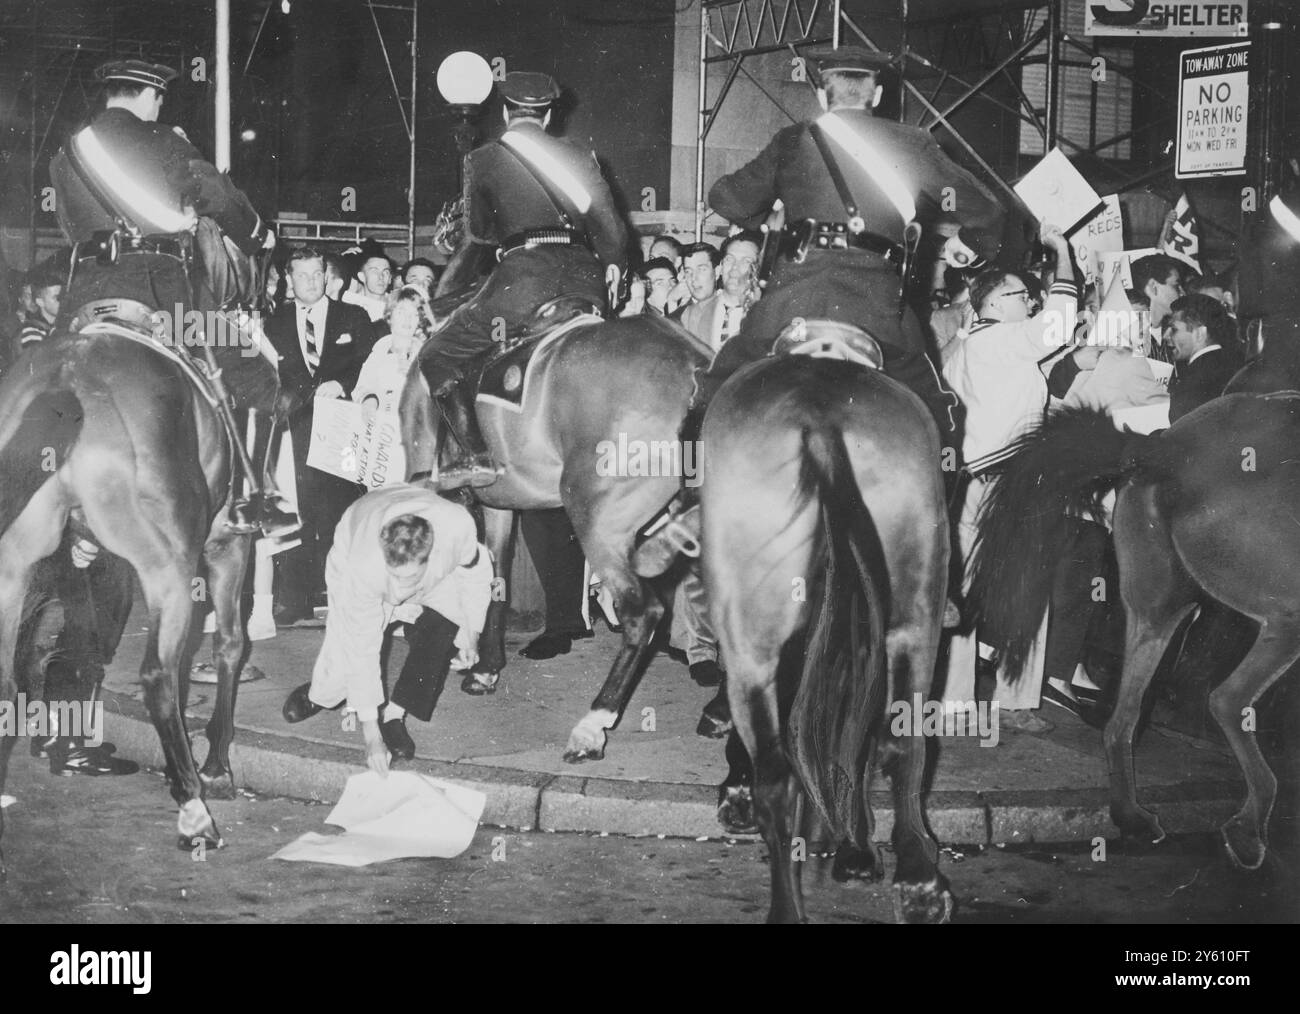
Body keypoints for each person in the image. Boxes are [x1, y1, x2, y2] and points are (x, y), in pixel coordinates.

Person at [635, 46, 1004, 574]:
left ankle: (691, 512)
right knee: (943, 413)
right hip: (881, 312)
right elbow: (988, 211)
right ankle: (931, 556)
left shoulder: (793, 141)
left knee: (709, 395)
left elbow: (727, 198)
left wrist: (775, 214)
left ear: (819, 93)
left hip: (791, 305)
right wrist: (972, 246)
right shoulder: (913, 143)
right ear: (877, 94)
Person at [47, 58, 293, 538]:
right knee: (257, 371)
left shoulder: (66, 153)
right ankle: (251, 497)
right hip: (162, 292)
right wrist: (259, 236)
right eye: (159, 98)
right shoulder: (165, 140)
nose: (159, 106)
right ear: (149, 95)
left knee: (42, 366)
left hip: (83, 295)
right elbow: (216, 196)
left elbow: (69, 228)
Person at [413, 70, 630, 491]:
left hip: (523, 285)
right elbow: (613, 232)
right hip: (586, 283)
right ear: (548, 117)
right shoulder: (582, 156)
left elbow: (479, 233)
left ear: (508, 111)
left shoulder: (483, 158)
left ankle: (475, 457)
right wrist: (612, 268)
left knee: (437, 353)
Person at [940, 225, 1082, 730]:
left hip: (970, 482)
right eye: (1020, 295)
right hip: (1012, 483)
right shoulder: (1005, 339)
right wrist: (1061, 251)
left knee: (961, 590)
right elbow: (1061, 320)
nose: (1029, 301)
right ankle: (1015, 699)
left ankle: (954, 702)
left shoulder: (964, 349)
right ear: (993, 304)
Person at [281, 485, 494, 770]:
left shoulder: (457, 528)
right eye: (395, 577)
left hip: (430, 573)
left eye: (408, 579)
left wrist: (471, 634)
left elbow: (476, 578)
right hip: (357, 541)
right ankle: (321, 693)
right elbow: (363, 647)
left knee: (451, 621)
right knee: (346, 646)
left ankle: (394, 714)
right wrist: (371, 738)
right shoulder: (363, 566)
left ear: (430, 554)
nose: (398, 591)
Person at [264, 246, 375, 624]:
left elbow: (369, 362)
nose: (311, 282)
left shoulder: (354, 316)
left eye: (317, 274)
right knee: (295, 512)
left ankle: (335, 592)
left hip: (340, 430)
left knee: (335, 512)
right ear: (290, 280)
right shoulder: (272, 322)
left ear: (326, 276)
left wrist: (342, 383)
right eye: (302, 275)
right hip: (291, 430)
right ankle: (294, 598)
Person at [1166, 292, 1244, 424]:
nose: (1166, 336)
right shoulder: (1238, 364)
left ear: (1200, 334)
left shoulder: (1191, 383)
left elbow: (1179, 435)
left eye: (1174, 329)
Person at [679, 231, 760, 351]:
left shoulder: (765, 315)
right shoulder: (692, 314)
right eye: (729, 259)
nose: (734, 268)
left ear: (758, 269)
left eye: (746, 261)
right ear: (721, 266)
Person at [1130, 253, 1185, 364]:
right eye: (1175, 286)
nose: (1183, 293)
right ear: (1153, 287)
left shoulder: (1175, 332)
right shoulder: (1127, 337)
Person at [668, 241, 719, 318]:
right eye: (688, 271)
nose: (694, 278)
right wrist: (671, 302)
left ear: (717, 272)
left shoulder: (729, 309)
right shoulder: (681, 313)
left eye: (701, 269)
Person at [343, 246, 393, 323]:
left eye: (385, 272)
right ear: (362, 276)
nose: (381, 277)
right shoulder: (349, 301)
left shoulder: (397, 304)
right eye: (374, 271)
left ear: (390, 278)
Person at [18, 268, 61, 348]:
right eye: (56, 297)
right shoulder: (32, 331)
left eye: (62, 296)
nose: (61, 300)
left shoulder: (62, 323)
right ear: (40, 302)